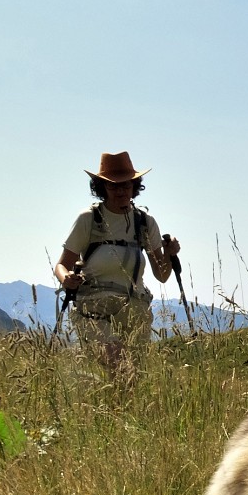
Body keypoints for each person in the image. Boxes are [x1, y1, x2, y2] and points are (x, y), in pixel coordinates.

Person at [55, 151, 180, 369]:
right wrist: (66, 279)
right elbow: (62, 265)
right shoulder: (88, 219)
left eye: (125, 185)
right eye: (113, 186)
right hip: (93, 308)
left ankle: (113, 404)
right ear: (102, 188)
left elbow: (162, 275)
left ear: (134, 186)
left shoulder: (144, 222)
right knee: (120, 364)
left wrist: (170, 255)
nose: (120, 191)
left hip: (135, 311)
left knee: (130, 379)